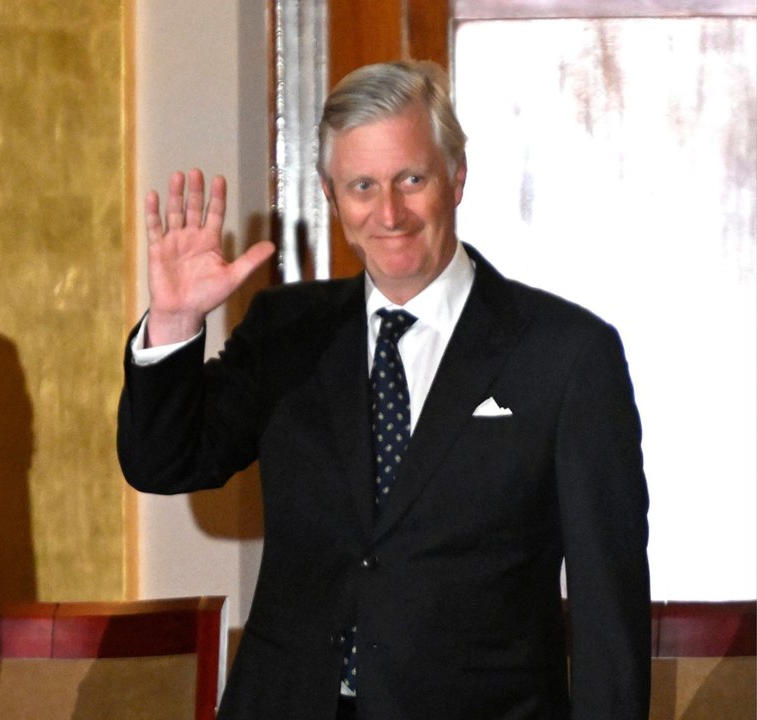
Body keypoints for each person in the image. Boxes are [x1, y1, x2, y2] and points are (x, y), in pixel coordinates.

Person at [118, 60, 649, 719]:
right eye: (362, 185)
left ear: (456, 177)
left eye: (412, 179)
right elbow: (163, 463)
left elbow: (607, 606)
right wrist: (173, 322)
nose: (389, 212)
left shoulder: (567, 355)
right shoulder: (289, 332)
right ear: (331, 195)